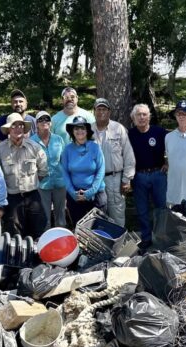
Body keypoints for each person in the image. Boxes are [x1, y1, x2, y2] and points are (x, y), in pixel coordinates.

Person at [0, 113, 49, 239]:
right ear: (8, 129)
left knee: (39, 231)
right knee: (14, 234)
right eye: (14, 126)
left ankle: (38, 257)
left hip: (33, 196)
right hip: (12, 199)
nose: (18, 128)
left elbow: (43, 170)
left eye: (21, 125)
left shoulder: (34, 147)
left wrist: (32, 182)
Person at [128, 103, 167, 249]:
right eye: (138, 115)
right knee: (142, 210)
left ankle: (161, 238)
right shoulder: (130, 135)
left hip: (159, 174)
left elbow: (172, 148)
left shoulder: (160, 132)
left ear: (149, 116)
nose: (142, 117)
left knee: (161, 209)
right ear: (133, 118)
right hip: (139, 176)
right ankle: (146, 238)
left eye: (144, 114)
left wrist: (168, 162)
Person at [93, 98, 135, 227]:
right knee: (98, 216)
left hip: (115, 179)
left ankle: (119, 245)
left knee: (117, 215)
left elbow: (128, 155)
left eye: (104, 109)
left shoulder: (118, 128)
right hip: (94, 181)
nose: (101, 112)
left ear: (109, 112)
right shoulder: (87, 130)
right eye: (98, 109)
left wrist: (127, 179)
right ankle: (101, 245)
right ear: (94, 111)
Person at [60, 116, 106, 225]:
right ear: (72, 131)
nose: (79, 131)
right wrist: (72, 192)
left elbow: (101, 170)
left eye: (82, 128)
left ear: (87, 131)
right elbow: (65, 172)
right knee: (79, 228)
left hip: (96, 193)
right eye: (76, 128)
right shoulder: (67, 150)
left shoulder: (95, 148)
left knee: (98, 227)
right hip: (75, 194)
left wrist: (91, 192)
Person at [31, 110, 67, 228]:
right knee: (44, 216)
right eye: (40, 120)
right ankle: (46, 241)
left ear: (51, 123)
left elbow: (64, 160)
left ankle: (62, 240)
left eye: (47, 119)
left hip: (60, 182)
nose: (44, 122)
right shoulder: (31, 141)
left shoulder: (58, 139)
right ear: (36, 124)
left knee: (61, 215)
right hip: (42, 184)